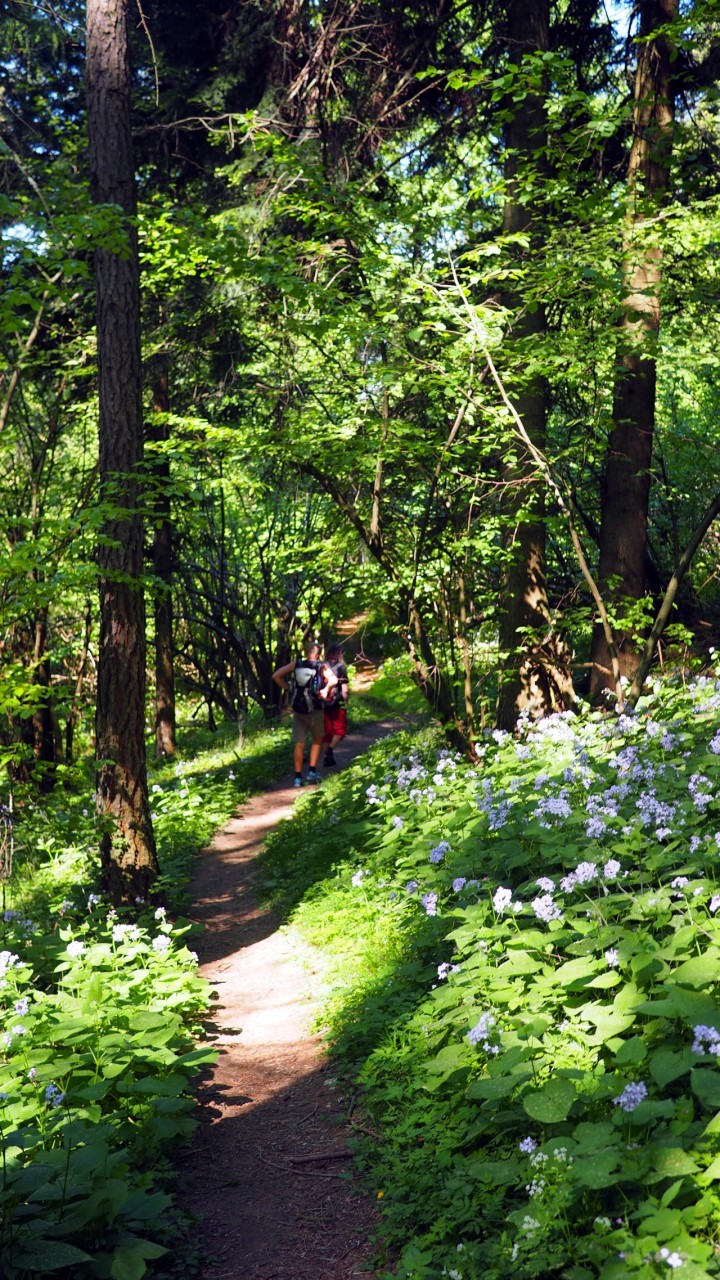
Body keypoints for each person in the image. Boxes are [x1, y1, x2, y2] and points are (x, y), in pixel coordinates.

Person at [272, 641, 330, 788]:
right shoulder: (321, 666)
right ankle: (312, 771)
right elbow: (334, 680)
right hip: (316, 709)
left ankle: (297, 777)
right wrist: (326, 689)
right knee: (317, 738)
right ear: (318, 653)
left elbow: (276, 676)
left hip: (298, 708)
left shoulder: (296, 664)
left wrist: (288, 688)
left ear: (306, 651)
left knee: (299, 743)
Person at [322, 642, 350, 768]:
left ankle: (327, 758)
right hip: (337, 704)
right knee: (340, 730)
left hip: (323, 703)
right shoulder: (341, 667)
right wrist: (346, 702)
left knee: (327, 732)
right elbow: (345, 690)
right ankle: (330, 751)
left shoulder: (322, 666)